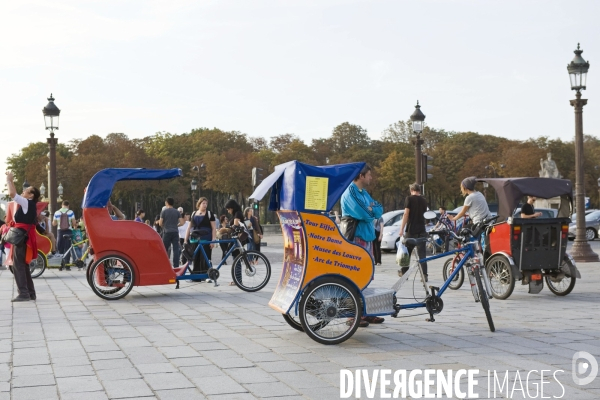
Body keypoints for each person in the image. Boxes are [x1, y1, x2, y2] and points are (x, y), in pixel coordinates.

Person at [341, 164, 384, 327]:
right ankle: (352, 314)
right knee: (355, 276)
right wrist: (370, 211)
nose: (371, 178)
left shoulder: (363, 193)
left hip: (366, 238)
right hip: (356, 239)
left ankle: (365, 312)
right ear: (361, 176)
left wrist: (371, 210)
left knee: (366, 276)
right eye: (369, 175)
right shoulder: (350, 191)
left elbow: (379, 210)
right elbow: (364, 214)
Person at [5, 171, 40, 301]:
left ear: (31, 195)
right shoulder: (31, 205)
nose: (24, 191)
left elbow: (12, 194)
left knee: (18, 265)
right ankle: (30, 292)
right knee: (23, 265)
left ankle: (24, 293)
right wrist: (11, 181)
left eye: (27, 190)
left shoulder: (26, 203)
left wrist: (9, 180)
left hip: (21, 238)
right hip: (25, 237)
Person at [398, 183, 429, 281]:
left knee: (407, 252)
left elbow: (406, 214)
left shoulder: (409, 199)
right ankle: (424, 275)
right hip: (421, 230)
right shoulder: (424, 201)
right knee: (422, 254)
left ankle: (404, 273)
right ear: (419, 190)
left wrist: (402, 228)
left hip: (411, 230)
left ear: (411, 190)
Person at [185, 198, 216, 279]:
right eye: (203, 203)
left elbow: (213, 228)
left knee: (206, 258)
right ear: (199, 204)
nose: (205, 205)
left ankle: (206, 275)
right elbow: (189, 227)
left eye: (206, 203)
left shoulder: (209, 214)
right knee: (196, 258)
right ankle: (196, 276)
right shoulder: (194, 213)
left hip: (206, 238)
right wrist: (185, 239)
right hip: (194, 239)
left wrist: (213, 240)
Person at [224, 199, 246, 286]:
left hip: (237, 239)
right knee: (235, 260)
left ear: (232, 208)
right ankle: (236, 279)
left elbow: (235, 225)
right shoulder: (236, 214)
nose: (228, 211)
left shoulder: (238, 214)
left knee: (236, 260)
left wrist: (225, 229)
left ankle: (238, 280)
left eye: (228, 209)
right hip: (235, 238)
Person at [159, 197, 184, 269]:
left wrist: (165, 226)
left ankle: (164, 264)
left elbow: (160, 223)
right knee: (176, 249)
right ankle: (176, 265)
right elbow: (182, 222)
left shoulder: (164, 211)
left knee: (165, 249)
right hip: (175, 232)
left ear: (166, 203)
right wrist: (176, 225)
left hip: (167, 232)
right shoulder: (176, 212)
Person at [53, 200, 76, 271]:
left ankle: (60, 265)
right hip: (68, 231)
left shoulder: (57, 212)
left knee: (60, 248)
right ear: (68, 205)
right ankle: (67, 265)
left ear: (61, 205)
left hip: (60, 231)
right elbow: (74, 222)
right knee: (67, 248)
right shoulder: (70, 212)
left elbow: (54, 224)